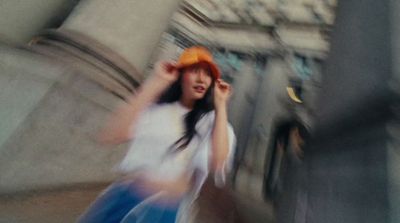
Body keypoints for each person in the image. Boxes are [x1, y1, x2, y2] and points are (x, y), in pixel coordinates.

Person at [78, 46, 236, 223]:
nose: (201, 78)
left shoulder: (211, 122)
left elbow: (218, 163)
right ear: (180, 75)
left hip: (166, 213)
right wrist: (157, 81)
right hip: (126, 201)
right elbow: (111, 135)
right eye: (194, 71)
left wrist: (221, 105)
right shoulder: (157, 111)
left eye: (207, 74)